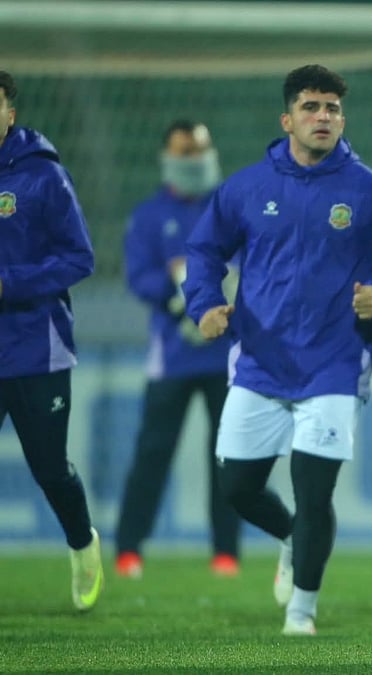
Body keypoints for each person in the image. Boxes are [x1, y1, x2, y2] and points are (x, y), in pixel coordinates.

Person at [183, 64, 372, 636]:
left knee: (314, 490)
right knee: (237, 488)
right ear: (288, 118)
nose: (322, 118)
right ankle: (294, 540)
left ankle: (301, 611)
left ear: (342, 119)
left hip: (334, 361)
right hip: (258, 358)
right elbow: (204, 252)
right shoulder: (247, 188)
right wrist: (204, 303)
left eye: (331, 109)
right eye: (310, 107)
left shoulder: (369, 192)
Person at [115, 120, 242, 579]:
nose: (195, 160)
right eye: (185, 152)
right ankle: (129, 548)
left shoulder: (232, 207)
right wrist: (175, 292)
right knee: (153, 453)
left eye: (200, 151)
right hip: (171, 354)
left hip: (227, 354)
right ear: (167, 158)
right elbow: (139, 274)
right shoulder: (149, 215)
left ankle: (226, 552)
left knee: (226, 455)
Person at [0, 70, 103, 611]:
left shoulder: (42, 176)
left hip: (35, 348)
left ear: (9, 113)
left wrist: (8, 284)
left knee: (49, 469)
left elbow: (79, 258)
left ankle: (82, 543)